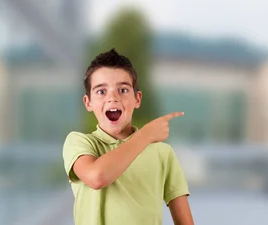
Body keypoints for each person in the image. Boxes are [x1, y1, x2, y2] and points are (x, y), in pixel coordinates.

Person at [62, 48, 194, 225]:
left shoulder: (163, 153)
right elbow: (97, 177)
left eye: (123, 90)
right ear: (88, 103)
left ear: (137, 99)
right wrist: (147, 134)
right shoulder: (79, 142)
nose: (112, 98)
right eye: (101, 91)